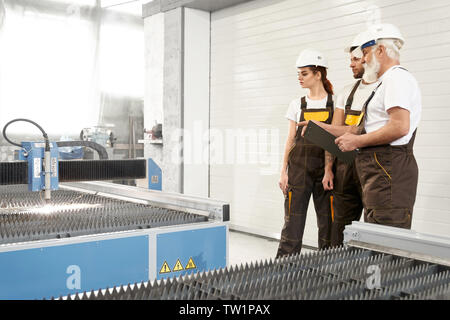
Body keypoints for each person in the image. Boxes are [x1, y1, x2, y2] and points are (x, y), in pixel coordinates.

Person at [335, 23, 422, 229]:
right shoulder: (386, 82)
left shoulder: (396, 78)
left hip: (388, 169)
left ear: (380, 50)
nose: (363, 59)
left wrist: (356, 141)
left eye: (365, 53)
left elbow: (400, 127)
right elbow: (377, 125)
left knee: (385, 242)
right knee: (376, 236)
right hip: (381, 169)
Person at [277, 49, 334, 257]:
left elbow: (334, 141)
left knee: (328, 223)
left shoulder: (334, 104)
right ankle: (284, 269)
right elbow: (290, 140)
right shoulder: (297, 105)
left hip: (324, 172)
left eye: (304, 73)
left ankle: (328, 268)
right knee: (293, 222)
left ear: (318, 74)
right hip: (298, 169)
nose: (300, 78)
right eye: (298, 74)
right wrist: (283, 171)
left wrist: (329, 169)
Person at [325, 32, 380, 247]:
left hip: (372, 167)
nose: (351, 64)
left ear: (368, 58)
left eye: (356, 59)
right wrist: (329, 168)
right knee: (339, 226)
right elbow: (333, 132)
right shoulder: (346, 92)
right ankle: (335, 273)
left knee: (373, 225)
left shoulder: (382, 88)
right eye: (350, 60)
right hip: (344, 168)